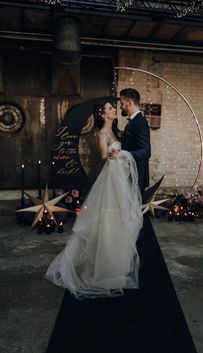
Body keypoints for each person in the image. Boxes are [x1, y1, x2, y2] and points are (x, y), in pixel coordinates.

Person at [45, 101, 143, 300]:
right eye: (110, 108)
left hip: (119, 180)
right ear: (103, 115)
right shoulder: (102, 134)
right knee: (107, 221)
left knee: (119, 222)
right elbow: (103, 157)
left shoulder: (114, 132)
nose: (114, 109)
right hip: (110, 182)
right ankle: (102, 268)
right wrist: (114, 155)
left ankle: (116, 263)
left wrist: (122, 154)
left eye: (114, 107)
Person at [109, 88, 151, 195]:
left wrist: (122, 154)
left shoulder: (139, 122)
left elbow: (146, 151)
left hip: (136, 176)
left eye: (122, 103)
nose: (120, 106)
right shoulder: (133, 121)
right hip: (130, 174)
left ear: (129, 103)